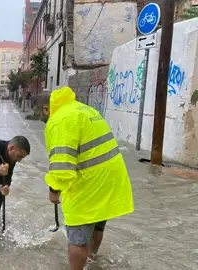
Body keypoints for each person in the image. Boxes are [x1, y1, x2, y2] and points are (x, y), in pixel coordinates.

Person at [39, 87, 134, 270]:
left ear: (45, 109)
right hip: (111, 178)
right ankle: (92, 261)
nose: (42, 121)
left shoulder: (59, 120)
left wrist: (53, 191)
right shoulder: (83, 109)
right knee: (98, 225)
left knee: (77, 239)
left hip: (90, 184)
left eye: (40, 116)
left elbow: (62, 168)